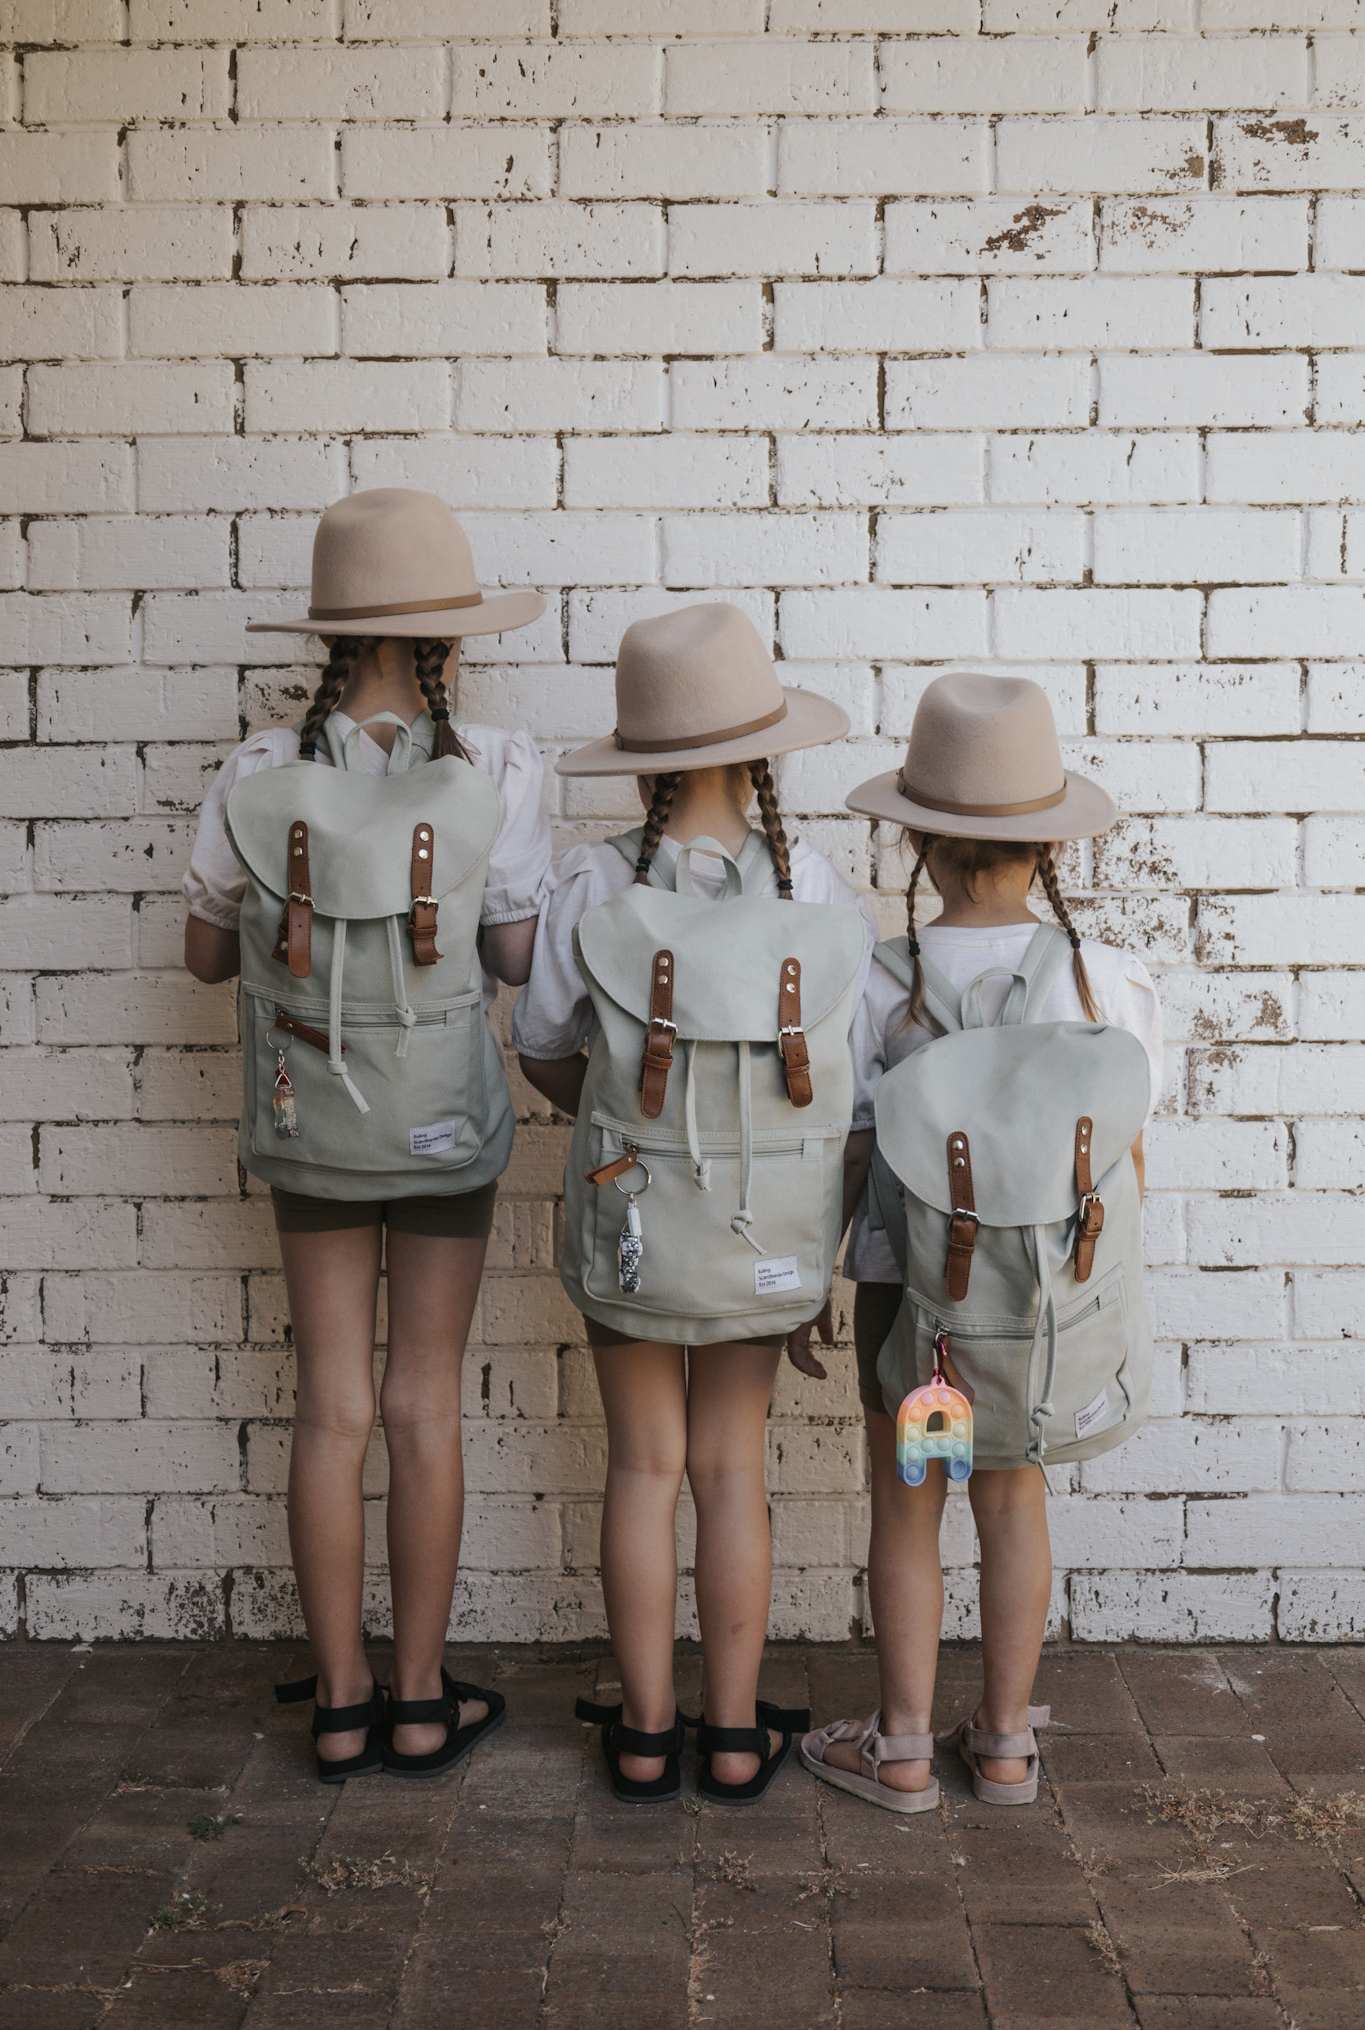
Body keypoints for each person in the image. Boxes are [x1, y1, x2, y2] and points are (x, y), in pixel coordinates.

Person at [182, 488, 550, 1781]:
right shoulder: (497, 771)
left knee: (330, 1408)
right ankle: (414, 1697)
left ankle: (336, 1704)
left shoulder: (256, 776)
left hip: (310, 1115)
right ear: (451, 638)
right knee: (422, 1407)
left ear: (326, 638)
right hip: (443, 1119)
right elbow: (511, 956)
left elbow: (204, 961)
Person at [514, 603, 875, 1805]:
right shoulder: (813, 886)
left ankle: (642, 1733)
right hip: (764, 1232)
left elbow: (546, 1051)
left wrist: (635, 1122)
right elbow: (849, 1089)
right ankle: (732, 1735)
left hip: (630, 1219)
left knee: (640, 1466)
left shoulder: (593, 881)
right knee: (730, 1468)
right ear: (760, 747)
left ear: (645, 757)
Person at [798, 673, 1163, 1812]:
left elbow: (850, 1148)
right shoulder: (1100, 977)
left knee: (907, 1501)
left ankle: (902, 1743)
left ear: (924, 844)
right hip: (1045, 1309)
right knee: (1012, 1498)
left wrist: (819, 1270)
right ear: (1044, 839)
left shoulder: (884, 981)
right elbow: (1128, 1160)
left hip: (913, 1304)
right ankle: (1004, 1741)